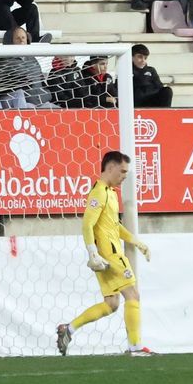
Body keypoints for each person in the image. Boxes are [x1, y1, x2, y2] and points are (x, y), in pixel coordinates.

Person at [56, 150, 152, 357]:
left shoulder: (110, 193)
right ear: (110, 168)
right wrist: (92, 253)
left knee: (112, 304)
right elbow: (87, 225)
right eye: (122, 171)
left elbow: (114, 226)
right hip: (110, 255)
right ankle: (135, 347)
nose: (125, 176)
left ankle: (68, 329)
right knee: (133, 295)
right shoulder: (99, 192)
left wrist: (136, 242)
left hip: (105, 257)